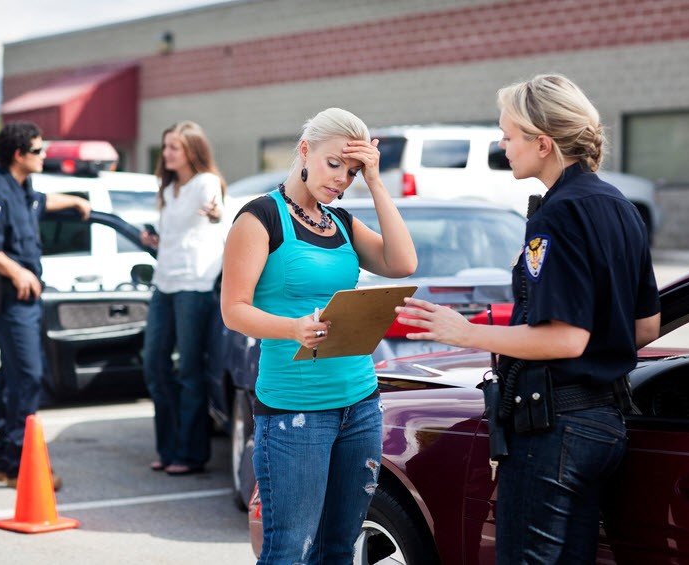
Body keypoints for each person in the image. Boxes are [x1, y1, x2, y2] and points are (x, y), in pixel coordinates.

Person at [397, 74, 661, 563]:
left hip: (555, 429)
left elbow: (564, 338)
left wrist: (466, 331)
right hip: (603, 423)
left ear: (543, 142)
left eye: (508, 135)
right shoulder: (621, 207)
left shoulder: (557, 214)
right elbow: (645, 327)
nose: (502, 146)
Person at [221, 107, 417, 563]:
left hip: (360, 404)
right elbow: (233, 311)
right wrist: (293, 328)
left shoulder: (341, 222)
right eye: (335, 165)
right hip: (296, 411)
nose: (341, 180)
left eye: (352, 171)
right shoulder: (260, 217)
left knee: (338, 549)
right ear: (305, 151)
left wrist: (376, 181)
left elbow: (403, 263)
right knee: (290, 550)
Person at [0, 122, 91, 490]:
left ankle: (6, 461)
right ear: (19, 155)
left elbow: (42, 204)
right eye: (38, 151)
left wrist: (73, 200)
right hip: (11, 301)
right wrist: (18, 272)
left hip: (27, 302)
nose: (44, 156)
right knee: (28, 376)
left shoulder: (23, 189)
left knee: (12, 375)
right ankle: (25, 464)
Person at [142, 121, 227, 476]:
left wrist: (216, 212)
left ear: (192, 150)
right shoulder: (169, 188)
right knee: (154, 364)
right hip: (164, 283)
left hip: (195, 285)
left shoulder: (205, 183)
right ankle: (168, 447)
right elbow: (173, 236)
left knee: (189, 371)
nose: (167, 153)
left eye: (174, 147)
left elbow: (217, 211)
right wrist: (155, 241)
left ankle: (190, 454)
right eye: (165, 147)